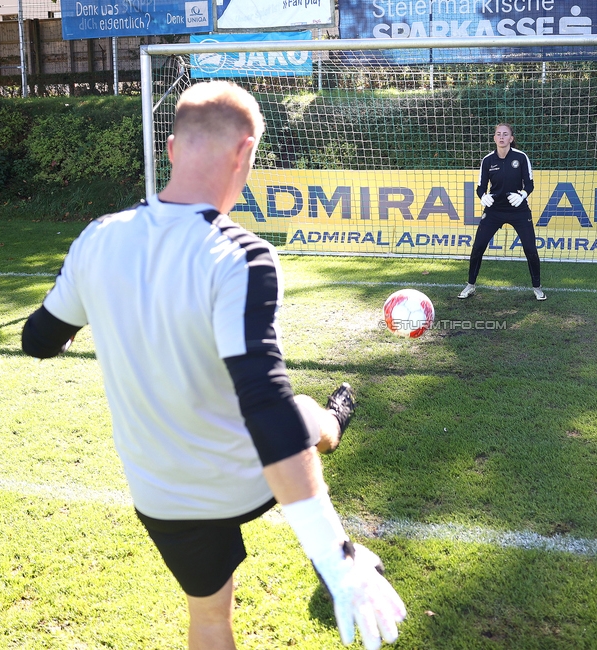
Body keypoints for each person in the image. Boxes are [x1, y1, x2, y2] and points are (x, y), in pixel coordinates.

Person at [20, 81, 405, 650]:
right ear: (246, 154)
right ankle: (333, 421)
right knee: (297, 411)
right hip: (240, 481)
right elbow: (265, 404)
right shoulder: (239, 254)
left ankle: (327, 421)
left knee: (207, 621)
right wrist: (335, 553)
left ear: (172, 150)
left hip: (161, 493)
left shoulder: (97, 238)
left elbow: (38, 341)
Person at [459, 122, 546, 301]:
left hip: (518, 210)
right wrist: (483, 197)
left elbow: (529, 184)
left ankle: (537, 287)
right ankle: (470, 285)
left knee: (530, 248)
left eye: (505, 134)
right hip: (494, 210)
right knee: (478, 247)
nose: (501, 137)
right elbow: (480, 187)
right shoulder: (487, 160)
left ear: (511, 138)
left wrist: (522, 195)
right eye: (498, 134)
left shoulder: (521, 158)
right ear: (494, 138)